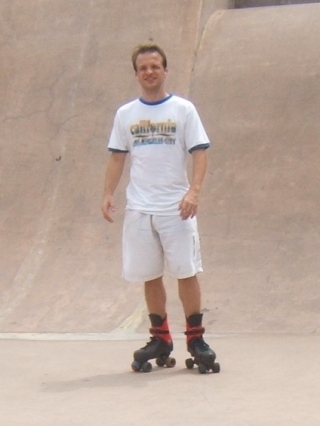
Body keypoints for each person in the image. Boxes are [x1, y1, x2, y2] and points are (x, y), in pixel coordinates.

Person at [102, 43, 218, 373]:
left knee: (185, 271)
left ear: (165, 70)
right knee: (149, 273)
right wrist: (107, 193)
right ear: (136, 74)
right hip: (140, 207)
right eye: (143, 68)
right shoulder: (126, 114)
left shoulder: (183, 110)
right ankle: (160, 337)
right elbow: (116, 157)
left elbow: (200, 153)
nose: (150, 72)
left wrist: (194, 191)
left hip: (175, 207)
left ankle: (195, 338)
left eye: (155, 66)